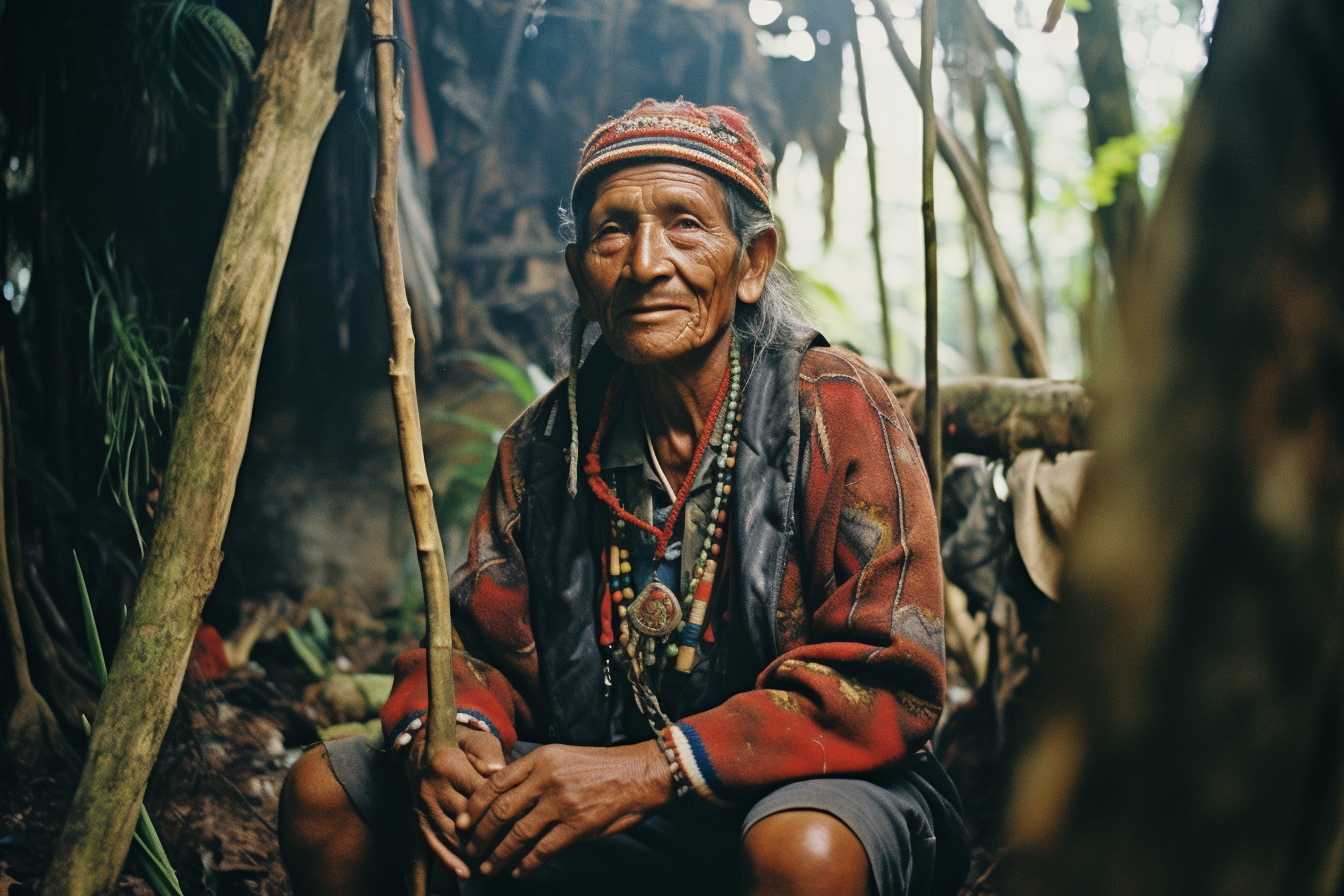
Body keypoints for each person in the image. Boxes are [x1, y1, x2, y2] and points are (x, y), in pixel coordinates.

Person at [279, 98, 969, 896]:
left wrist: (653, 768)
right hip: (603, 807)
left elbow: (891, 679)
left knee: (800, 849)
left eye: (685, 224)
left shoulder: (835, 408)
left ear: (751, 263)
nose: (646, 262)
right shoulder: (543, 448)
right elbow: (475, 652)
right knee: (330, 794)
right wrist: (457, 736)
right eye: (612, 231)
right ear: (581, 272)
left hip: (805, 795)